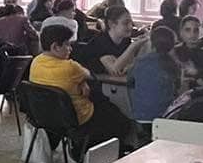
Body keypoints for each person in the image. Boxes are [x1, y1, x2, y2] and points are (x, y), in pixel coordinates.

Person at [30, 17, 138, 150]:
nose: (70, 49)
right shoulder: (70, 66)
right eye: (67, 45)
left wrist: (80, 81)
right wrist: (82, 80)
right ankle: (109, 151)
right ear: (55, 47)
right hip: (79, 117)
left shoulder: (36, 62)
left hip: (47, 117)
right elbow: (90, 75)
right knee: (120, 120)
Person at [128, 25, 183, 120]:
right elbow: (178, 89)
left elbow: (130, 82)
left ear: (151, 42)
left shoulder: (139, 62)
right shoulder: (174, 66)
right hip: (164, 117)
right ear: (172, 45)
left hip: (139, 116)